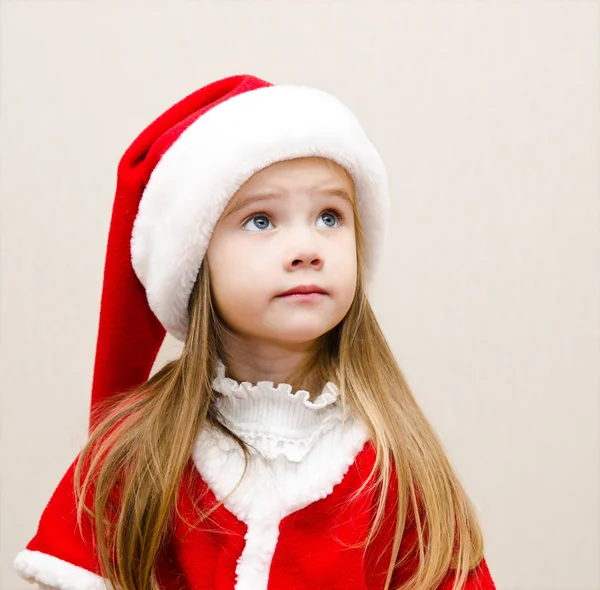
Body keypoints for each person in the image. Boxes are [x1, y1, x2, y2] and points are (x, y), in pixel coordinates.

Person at [13, 74, 497, 590]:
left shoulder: (398, 465)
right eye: (261, 221)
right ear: (196, 260)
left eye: (330, 216)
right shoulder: (137, 453)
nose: (308, 247)